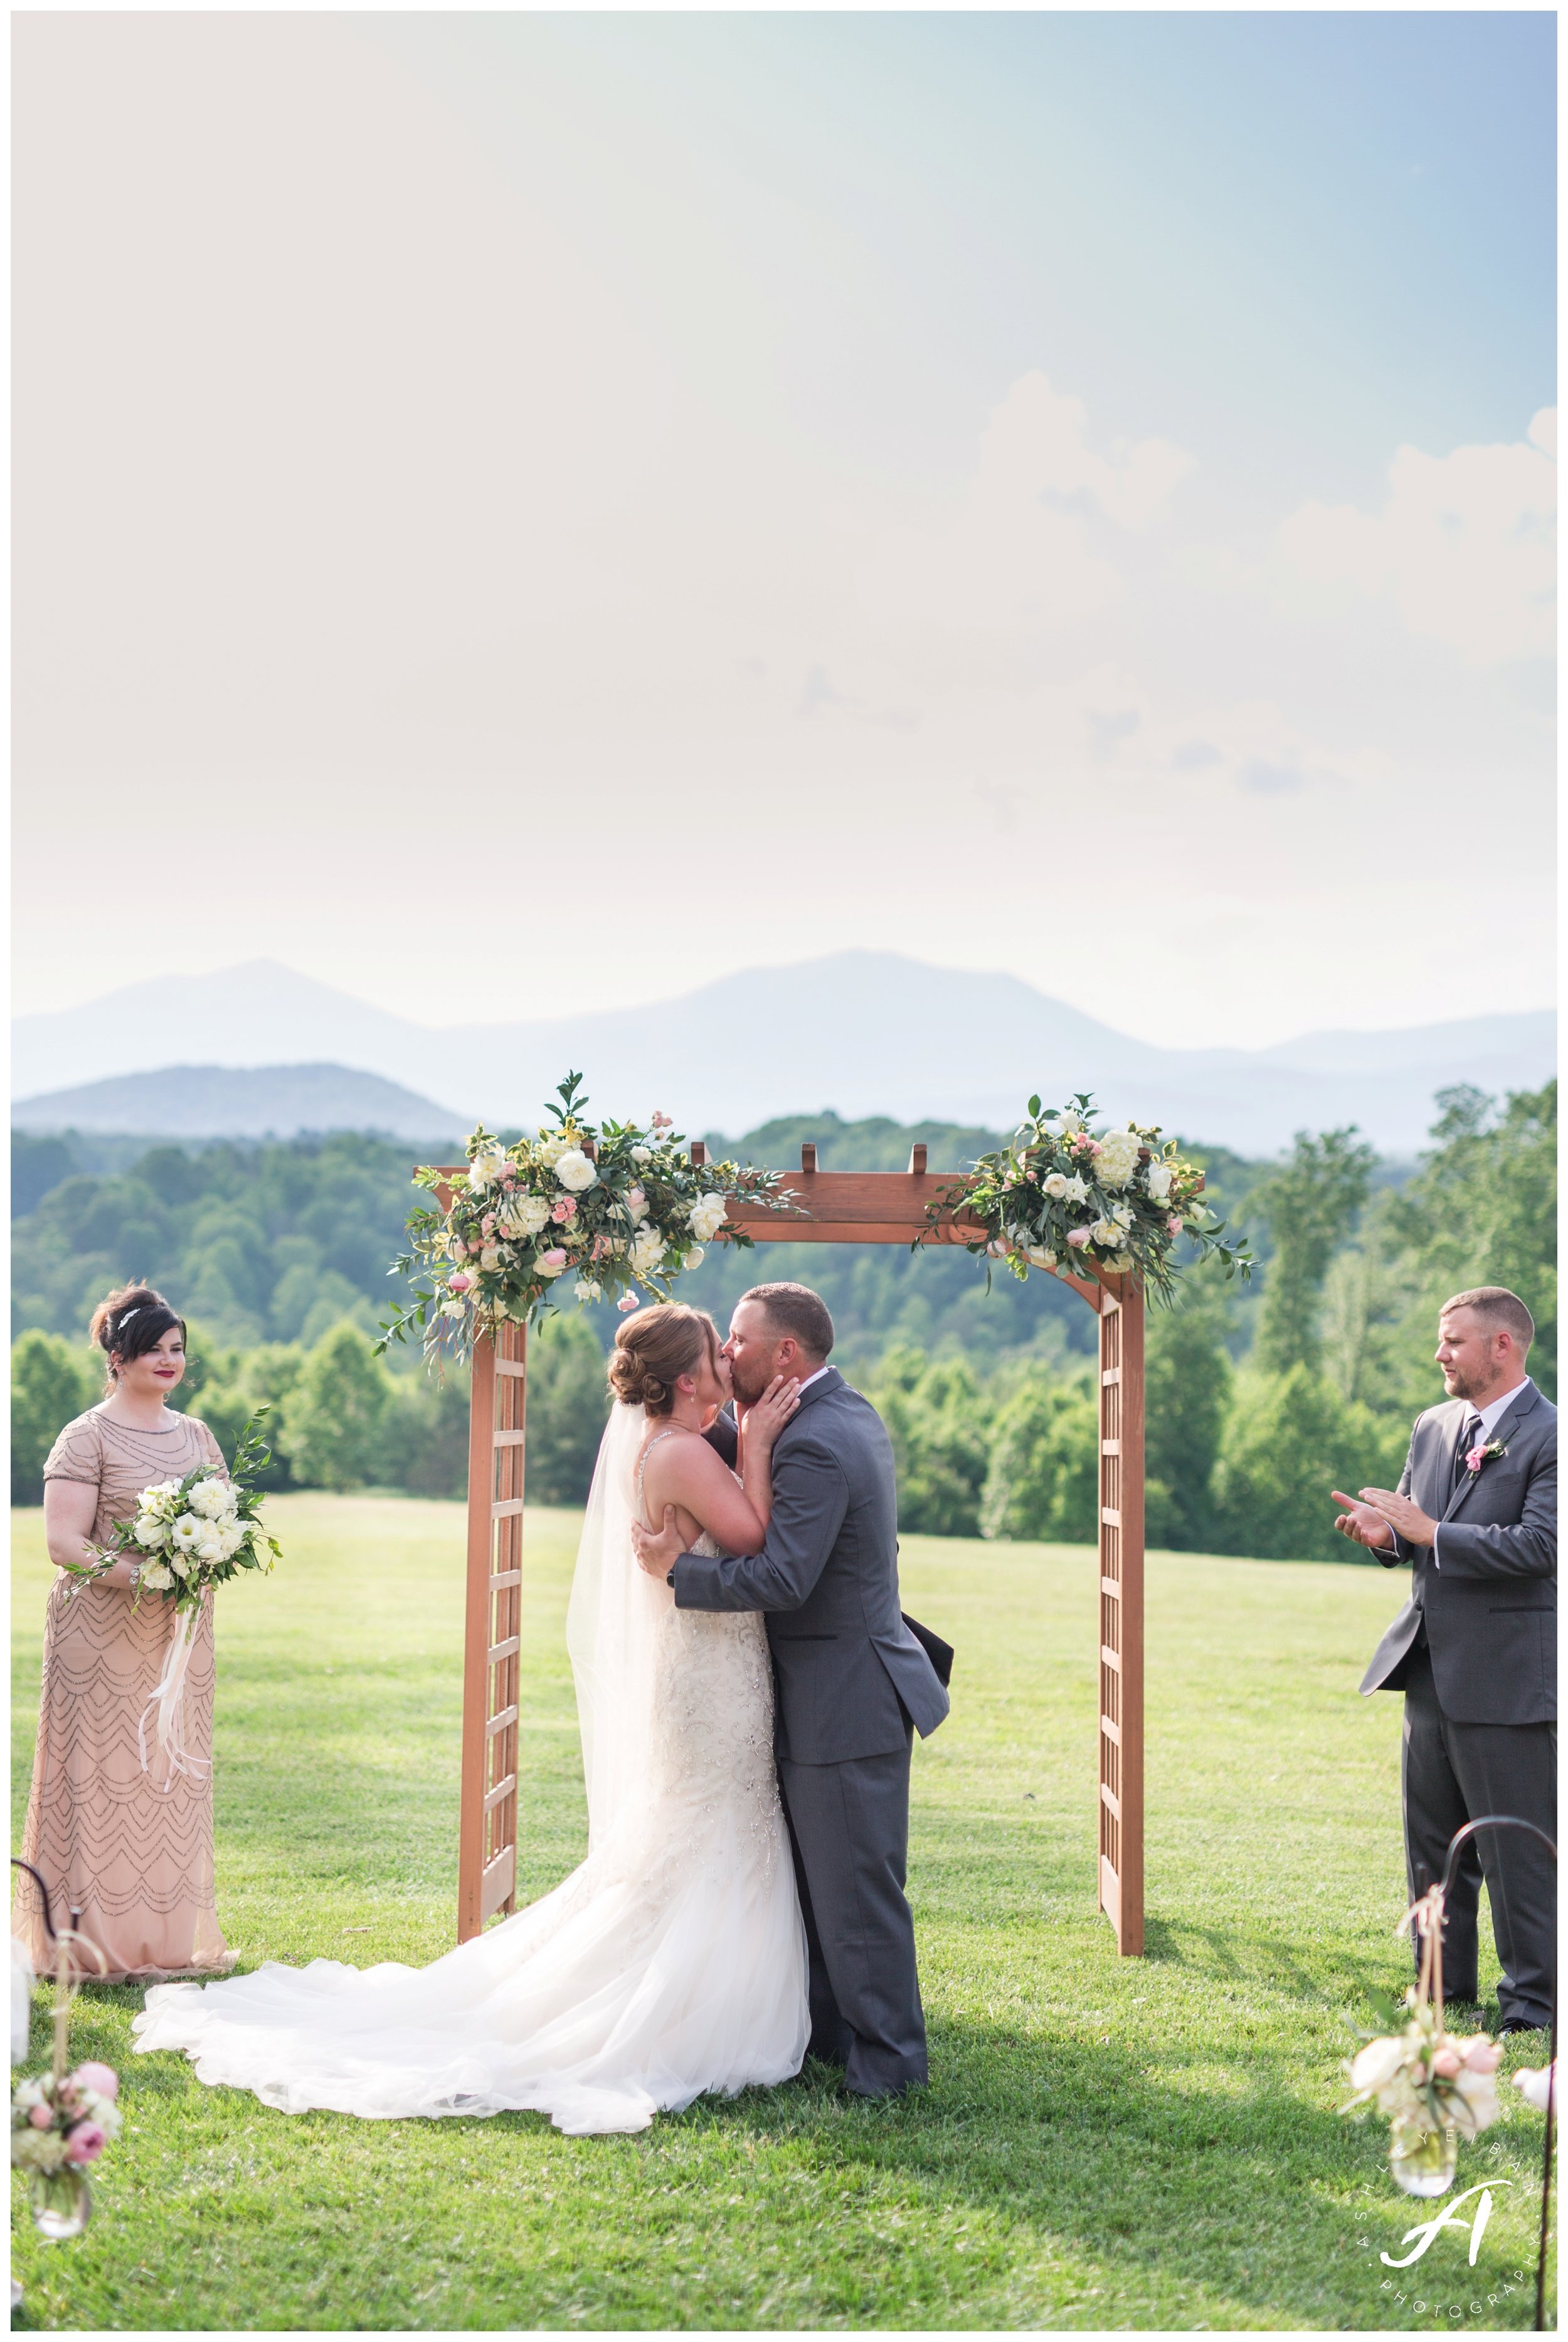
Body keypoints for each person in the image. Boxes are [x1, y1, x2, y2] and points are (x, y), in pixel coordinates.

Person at [134, 1304, 809, 2136]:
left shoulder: (669, 1445)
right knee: (705, 1830)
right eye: (717, 1354)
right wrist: (760, 1444)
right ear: (685, 1379)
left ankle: (706, 1985)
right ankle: (680, 2000)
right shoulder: (677, 1452)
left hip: (714, 1670)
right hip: (710, 1681)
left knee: (707, 1829)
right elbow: (758, 1537)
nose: (729, 1365)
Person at [632, 1281, 950, 2099]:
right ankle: (834, 2037)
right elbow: (725, 1452)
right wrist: (743, 1435)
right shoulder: (835, 1412)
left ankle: (888, 2065)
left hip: (845, 1697)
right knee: (826, 1883)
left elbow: (783, 1576)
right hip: (833, 1687)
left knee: (856, 1892)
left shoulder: (813, 1439)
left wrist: (680, 1573)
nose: (726, 1351)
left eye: (737, 1338)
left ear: (785, 1355)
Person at [1333, 1286, 1556, 2033]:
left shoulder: (1549, 1435)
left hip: (1506, 1677)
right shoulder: (1432, 1425)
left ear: (1503, 1346)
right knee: (1431, 1846)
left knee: (1513, 1849)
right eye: (1440, 1339)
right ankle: (1439, 1986)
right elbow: (1410, 1523)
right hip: (1425, 1666)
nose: (1439, 1354)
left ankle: (1532, 2005)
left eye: (1454, 1341)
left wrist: (1429, 1533)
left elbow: (1543, 1547)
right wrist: (1384, 1535)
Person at [13, 1284, 234, 1983]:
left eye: (178, 1350)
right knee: (96, 1780)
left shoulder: (197, 1435)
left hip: (178, 1636)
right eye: (155, 1350)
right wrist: (146, 1575)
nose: (170, 1361)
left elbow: (224, 1521)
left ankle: (163, 1942)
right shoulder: (86, 1435)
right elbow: (63, 1542)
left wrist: (211, 1554)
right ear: (117, 1357)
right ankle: (87, 1944)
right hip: (98, 1637)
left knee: (169, 1777)